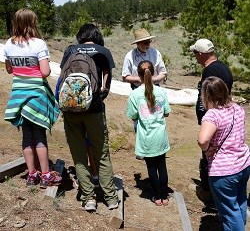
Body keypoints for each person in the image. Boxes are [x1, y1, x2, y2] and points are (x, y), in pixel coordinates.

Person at [57, 23, 119, 211]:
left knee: (79, 155)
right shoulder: (103, 52)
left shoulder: (70, 50)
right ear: (96, 35)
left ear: (80, 36)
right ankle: (110, 198)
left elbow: (62, 77)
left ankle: (88, 197)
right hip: (94, 110)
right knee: (101, 153)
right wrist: (97, 98)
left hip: (70, 110)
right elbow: (106, 85)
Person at [3, 8, 61, 188]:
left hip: (18, 95)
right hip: (36, 95)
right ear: (32, 23)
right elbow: (45, 72)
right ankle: (45, 175)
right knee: (40, 136)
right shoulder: (38, 44)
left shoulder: (8, 44)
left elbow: (9, 69)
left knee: (27, 136)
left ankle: (31, 175)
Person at [198, 76, 250, 231]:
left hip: (224, 171)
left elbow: (202, 140)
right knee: (240, 201)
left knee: (229, 213)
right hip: (243, 163)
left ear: (207, 95)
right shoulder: (238, 108)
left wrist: (207, 149)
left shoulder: (213, 114)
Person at [190, 38, 233, 206]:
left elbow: (206, 100)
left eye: (195, 53)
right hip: (224, 119)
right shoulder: (223, 67)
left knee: (209, 153)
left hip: (213, 121)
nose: (194, 57)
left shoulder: (209, 72)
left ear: (200, 54)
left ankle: (208, 192)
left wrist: (206, 118)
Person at [127, 60, 171, 206]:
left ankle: (157, 196)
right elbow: (166, 113)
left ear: (138, 76)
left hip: (146, 136)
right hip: (160, 135)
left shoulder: (134, 94)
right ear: (153, 74)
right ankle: (165, 196)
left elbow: (133, 115)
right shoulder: (161, 92)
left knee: (151, 167)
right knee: (162, 166)